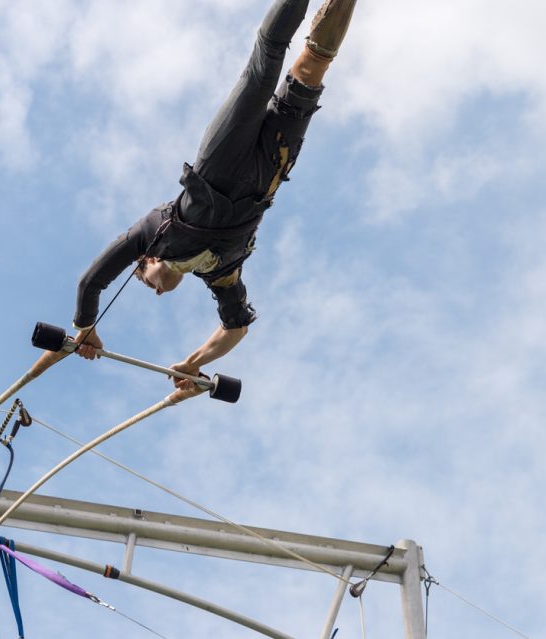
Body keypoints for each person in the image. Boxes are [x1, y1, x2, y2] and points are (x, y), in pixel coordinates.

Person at [71, 0, 357, 389]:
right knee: (311, 68)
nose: (155, 292)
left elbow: (92, 282)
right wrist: (193, 362)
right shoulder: (220, 273)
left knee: (267, 59)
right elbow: (236, 327)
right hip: (269, 169)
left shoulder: (152, 233)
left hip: (221, 159)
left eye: (145, 281)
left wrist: (85, 326)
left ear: (147, 260)